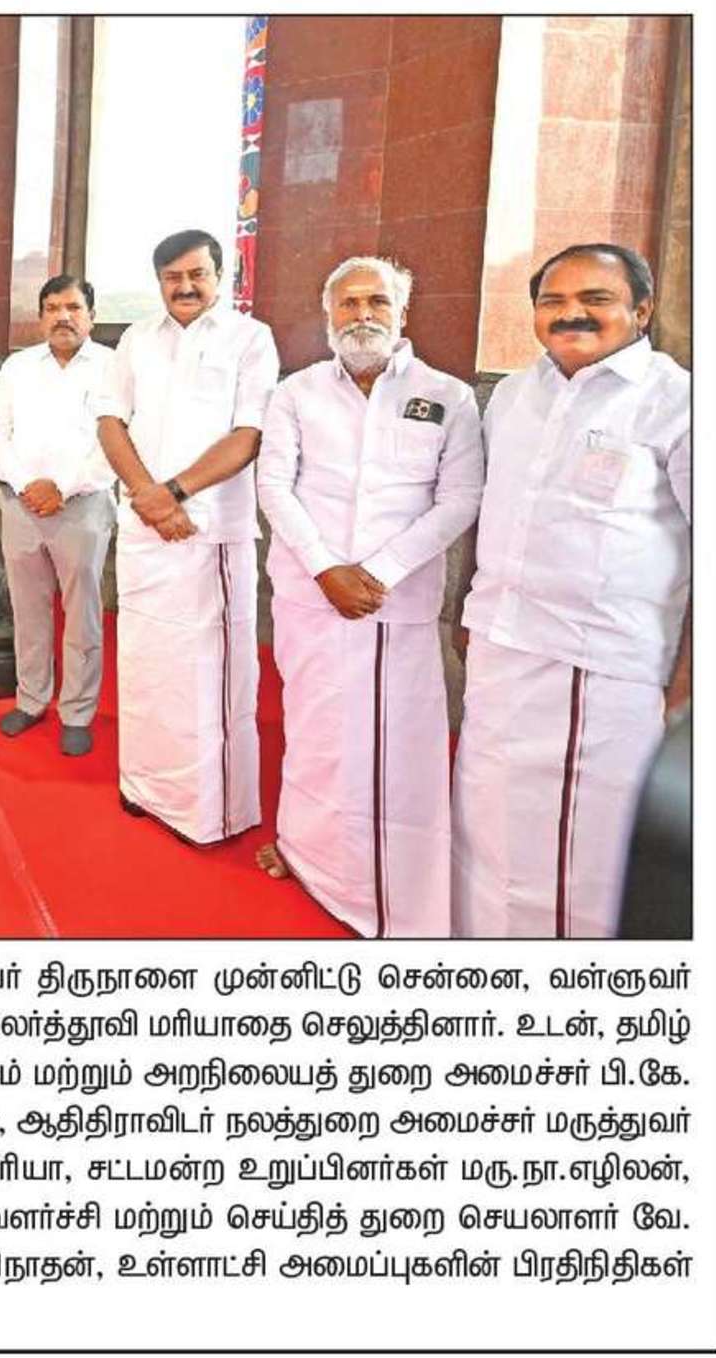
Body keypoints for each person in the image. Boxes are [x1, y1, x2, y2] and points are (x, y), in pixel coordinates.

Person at [452, 243, 691, 937]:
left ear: (641, 311)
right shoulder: (513, 395)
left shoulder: (676, 402)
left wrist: (688, 682)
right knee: (488, 826)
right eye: (553, 301)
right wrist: (468, 608)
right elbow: (494, 509)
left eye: (595, 299)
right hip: (500, 645)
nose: (571, 314)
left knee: (574, 855)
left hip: (599, 666)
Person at [254, 257, 483, 936]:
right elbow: (274, 487)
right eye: (348, 303)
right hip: (310, 594)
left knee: (399, 742)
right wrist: (327, 569)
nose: (362, 315)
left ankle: (400, 872)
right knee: (316, 730)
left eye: (377, 302)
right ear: (328, 315)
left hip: (397, 603)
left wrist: (378, 571)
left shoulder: (449, 396)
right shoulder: (295, 393)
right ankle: (304, 850)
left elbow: (460, 498)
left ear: (402, 313)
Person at [98, 229, 280, 844]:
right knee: (146, 664)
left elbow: (248, 435)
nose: (185, 287)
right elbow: (110, 421)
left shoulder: (250, 339)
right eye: (172, 277)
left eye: (197, 274)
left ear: (220, 276)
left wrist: (173, 493)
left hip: (207, 531)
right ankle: (143, 785)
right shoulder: (136, 338)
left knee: (207, 675)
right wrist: (147, 495)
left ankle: (209, 811)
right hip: (146, 529)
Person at [0, 274, 117, 756]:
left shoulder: (113, 367)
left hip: (83, 507)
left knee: (82, 615)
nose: (63, 317)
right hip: (21, 507)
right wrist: (25, 485)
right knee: (28, 609)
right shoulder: (18, 367)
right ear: (40, 317)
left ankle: (77, 712)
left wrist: (63, 487)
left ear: (91, 316)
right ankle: (31, 699)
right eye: (53, 308)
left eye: (74, 308)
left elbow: (119, 440)